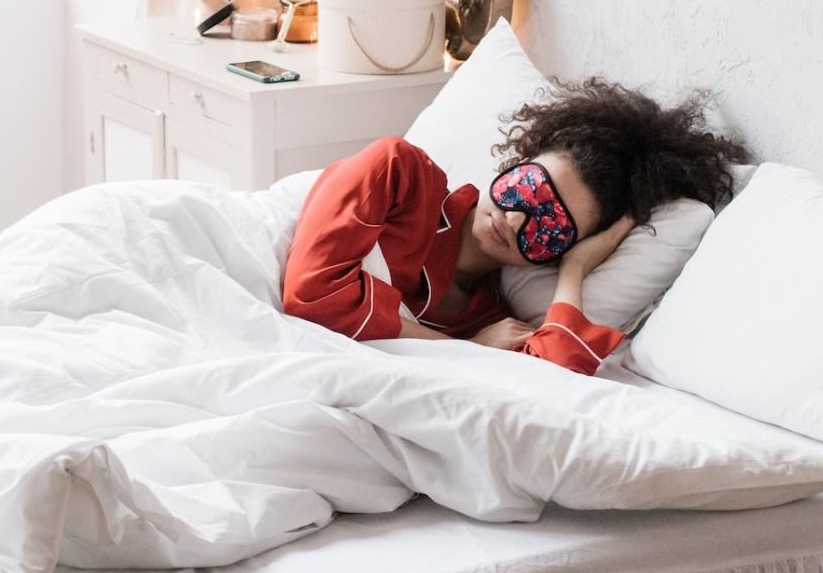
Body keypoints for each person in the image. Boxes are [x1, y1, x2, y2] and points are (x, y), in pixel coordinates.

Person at [281, 78, 748, 375]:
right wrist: (465, 348)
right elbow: (311, 296)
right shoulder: (398, 173)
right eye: (528, 188)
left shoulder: (492, 312)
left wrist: (575, 272)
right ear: (516, 162)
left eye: (551, 224)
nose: (516, 218)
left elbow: (555, 376)